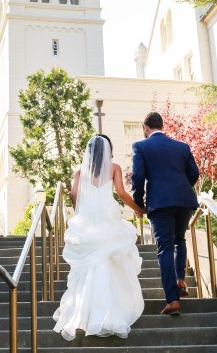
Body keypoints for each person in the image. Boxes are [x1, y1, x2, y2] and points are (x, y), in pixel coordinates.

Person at [53, 134, 146, 341]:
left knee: (90, 265)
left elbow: (74, 193)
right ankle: (112, 310)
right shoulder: (114, 168)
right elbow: (121, 193)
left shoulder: (80, 170)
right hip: (108, 216)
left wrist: (81, 212)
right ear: (108, 150)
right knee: (109, 260)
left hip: (88, 218)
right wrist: (138, 209)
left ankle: (87, 312)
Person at [131, 112, 199, 316]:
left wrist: (138, 204)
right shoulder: (182, 146)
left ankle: (172, 300)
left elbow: (138, 177)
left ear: (145, 127)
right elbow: (194, 174)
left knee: (165, 249)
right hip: (184, 200)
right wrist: (180, 188)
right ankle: (180, 279)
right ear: (162, 125)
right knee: (180, 239)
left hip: (160, 203)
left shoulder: (140, 146)